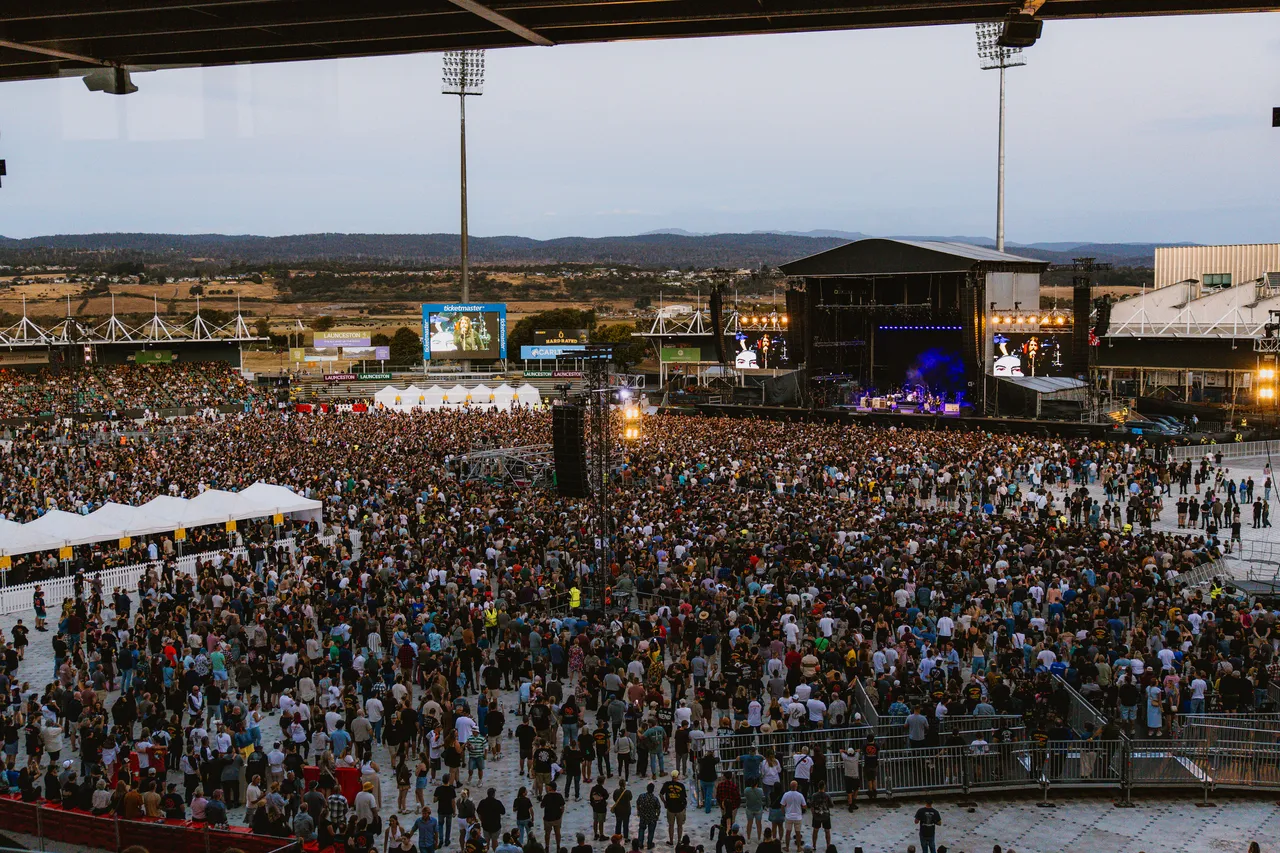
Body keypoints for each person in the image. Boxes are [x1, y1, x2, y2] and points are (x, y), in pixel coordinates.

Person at [660, 771, 688, 845]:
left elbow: (661, 794)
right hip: (680, 809)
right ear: (677, 776)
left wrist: (664, 802)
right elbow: (684, 797)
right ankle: (679, 841)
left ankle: (671, 841)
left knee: (671, 826)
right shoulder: (681, 786)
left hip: (670, 809)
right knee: (680, 826)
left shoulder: (667, 784)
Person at [476, 787, 507, 851]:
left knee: (486, 841)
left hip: (486, 826)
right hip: (495, 826)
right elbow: (503, 812)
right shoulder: (497, 803)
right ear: (493, 794)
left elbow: (478, 812)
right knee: (494, 841)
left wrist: (482, 820)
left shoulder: (482, 802)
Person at [779, 781, 806, 851]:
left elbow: (782, 805)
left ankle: (787, 847)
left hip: (789, 816)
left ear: (790, 786)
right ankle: (799, 847)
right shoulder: (800, 795)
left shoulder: (786, 794)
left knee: (788, 832)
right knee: (798, 833)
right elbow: (804, 806)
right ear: (796, 786)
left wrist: (784, 813)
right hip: (798, 817)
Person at [541, 781, 566, 853]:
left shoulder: (546, 796)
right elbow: (562, 807)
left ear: (551, 788)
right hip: (557, 818)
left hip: (548, 819)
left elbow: (542, 806)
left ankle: (547, 847)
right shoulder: (559, 796)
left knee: (547, 834)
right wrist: (560, 815)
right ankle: (558, 847)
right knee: (557, 833)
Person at [808, 781, 833, 851]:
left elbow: (811, 805)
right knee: (827, 831)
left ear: (818, 786)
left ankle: (814, 845)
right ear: (824, 786)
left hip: (817, 815)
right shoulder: (827, 795)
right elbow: (832, 805)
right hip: (826, 815)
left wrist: (813, 814)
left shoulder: (814, 795)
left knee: (815, 830)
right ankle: (828, 845)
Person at [636, 782, 661, 850]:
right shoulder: (655, 799)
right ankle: (649, 844)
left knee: (641, 829)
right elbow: (658, 808)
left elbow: (637, 803)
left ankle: (640, 844)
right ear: (653, 790)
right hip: (652, 817)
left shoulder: (641, 796)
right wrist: (657, 816)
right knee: (651, 831)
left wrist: (638, 811)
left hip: (643, 816)